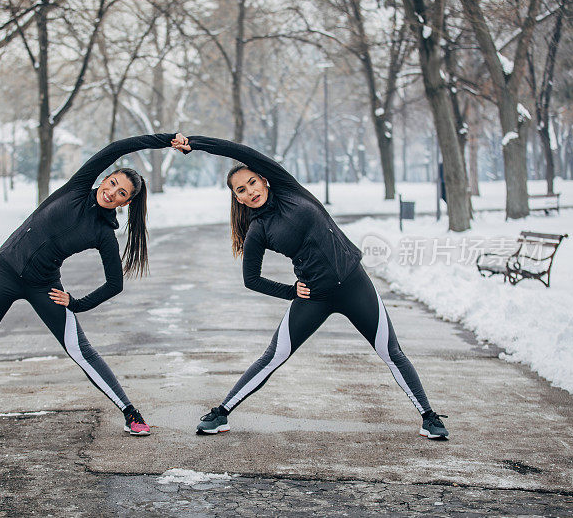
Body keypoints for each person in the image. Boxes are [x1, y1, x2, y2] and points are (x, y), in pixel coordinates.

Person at [171, 135, 449, 440]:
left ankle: (429, 418)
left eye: (251, 183)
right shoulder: (258, 230)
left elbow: (237, 150)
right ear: (238, 199)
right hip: (314, 295)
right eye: (241, 190)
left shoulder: (287, 187)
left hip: (354, 283)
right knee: (273, 356)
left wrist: (194, 144)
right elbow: (251, 279)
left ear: (263, 180)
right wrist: (291, 291)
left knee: (390, 351)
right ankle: (220, 413)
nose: (250, 191)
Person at [0, 134, 181, 441]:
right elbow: (119, 147)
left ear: (126, 202)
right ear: (105, 177)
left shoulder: (104, 233)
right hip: (4, 270)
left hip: (44, 284)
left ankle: (131, 413)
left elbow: (115, 284)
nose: (112, 192)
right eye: (113, 183)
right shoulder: (78, 187)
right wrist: (167, 140)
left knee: (80, 349)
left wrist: (76, 303)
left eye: (121, 193)